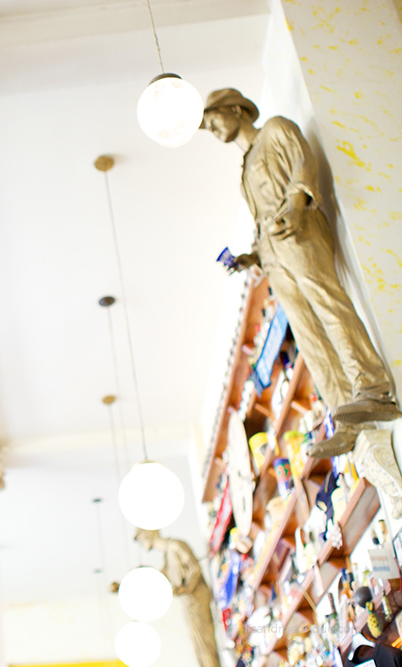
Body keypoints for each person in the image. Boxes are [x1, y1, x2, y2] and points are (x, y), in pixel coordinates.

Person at [201, 88, 400, 457]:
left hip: (300, 229)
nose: (210, 129)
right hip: (273, 253)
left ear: (235, 108)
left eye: (212, 119)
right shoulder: (244, 170)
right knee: (308, 335)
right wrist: (251, 256)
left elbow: (303, 163)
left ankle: (373, 386)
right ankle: (347, 419)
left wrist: (295, 206)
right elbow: (260, 219)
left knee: (329, 304)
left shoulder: (275, 129)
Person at [135, 528, 220, 667]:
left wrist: (186, 588)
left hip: (196, 600)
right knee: (198, 644)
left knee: (204, 642)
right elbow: (159, 579)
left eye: (140, 538)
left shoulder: (175, 546)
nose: (141, 543)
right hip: (189, 603)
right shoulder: (168, 555)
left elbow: (194, 568)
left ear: (148, 533)